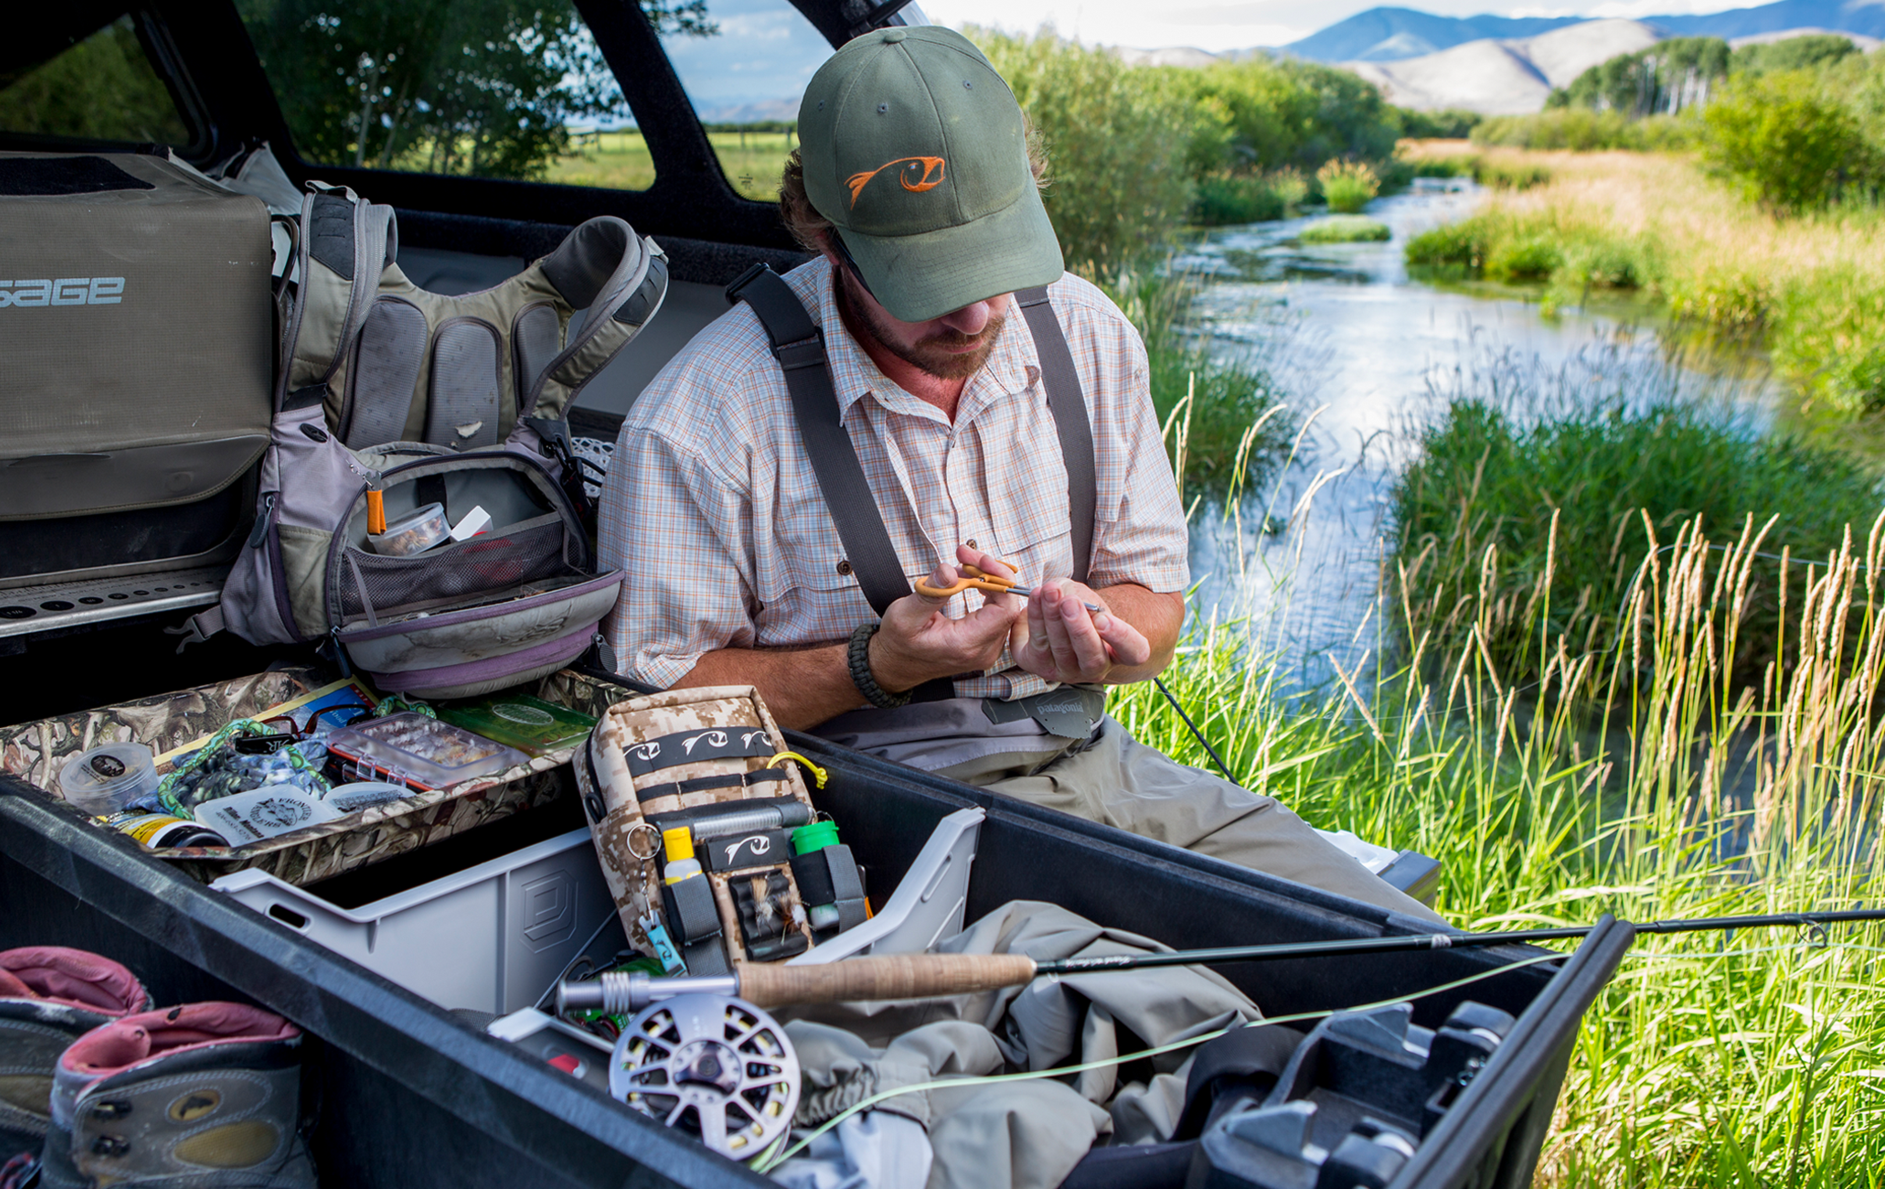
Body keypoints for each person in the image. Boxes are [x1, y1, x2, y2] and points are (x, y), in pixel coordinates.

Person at [598, 25, 1436, 920]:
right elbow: (657, 708)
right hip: (866, 812)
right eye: (927, 279)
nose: (976, 310)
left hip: (1105, 762)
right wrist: (876, 664)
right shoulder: (701, 417)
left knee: (1418, 953)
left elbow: (1155, 609)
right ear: (828, 240)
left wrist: (1097, 634)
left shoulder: (1089, 333)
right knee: (1186, 1001)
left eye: (996, 261)